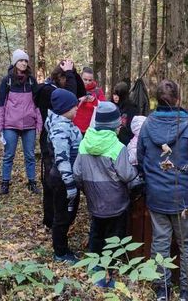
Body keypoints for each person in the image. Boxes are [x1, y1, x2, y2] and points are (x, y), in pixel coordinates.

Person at [137, 79, 188, 301]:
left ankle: (163, 289)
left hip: (159, 194)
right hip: (184, 197)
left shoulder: (149, 125)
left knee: (160, 242)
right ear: (178, 99)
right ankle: (186, 291)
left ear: (156, 100)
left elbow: (141, 159)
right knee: (187, 243)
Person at [73, 101, 138, 286]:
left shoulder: (84, 143)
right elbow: (126, 175)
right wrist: (135, 174)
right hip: (116, 202)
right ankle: (110, 270)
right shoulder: (118, 147)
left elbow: (77, 173)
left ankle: (95, 267)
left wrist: (86, 188)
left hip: (94, 201)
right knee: (114, 235)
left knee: (96, 231)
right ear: (114, 125)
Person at [35, 60, 84, 230]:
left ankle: (56, 221)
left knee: (55, 181)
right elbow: (69, 100)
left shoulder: (56, 91)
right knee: (53, 183)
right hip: (54, 142)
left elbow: (77, 94)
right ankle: (53, 221)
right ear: (60, 77)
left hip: (58, 139)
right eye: (67, 77)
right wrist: (70, 74)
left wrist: (73, 74)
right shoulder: (48, 91)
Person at [0, 49, 41, 195]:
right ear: (15, 62)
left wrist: (39, 124)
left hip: (29, 125)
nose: (23, 63)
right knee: (8, 155)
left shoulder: (32, 81)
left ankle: (32, 182)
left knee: (30, 155)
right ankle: (5, 182)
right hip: (10, 125)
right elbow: (1, 104)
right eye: (21, 60)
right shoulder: (7, 81)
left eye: (26, 61)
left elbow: (38, 103)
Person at [44, 88, 82, 264]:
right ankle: (60, 252)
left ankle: (62, 247)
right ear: (64, 108)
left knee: (68, 214)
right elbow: (62, 159)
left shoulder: (65, 123)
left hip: (66, 179)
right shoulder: (60, 128)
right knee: (62, 216)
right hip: (62, 180)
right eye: (74, 106)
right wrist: (70, 184)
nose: (77, 109)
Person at [72, 67, 106, 134]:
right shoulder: (74, 88)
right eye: (85, 79)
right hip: (74, 127)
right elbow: (67, 105)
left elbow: (103, 107)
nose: (87, 82)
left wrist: (94, 101)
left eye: (90, 80)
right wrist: (79, 100)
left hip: (91, 128)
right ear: (81, 78)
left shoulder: (98, 91)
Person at [111, 81, 139, 145]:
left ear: (123, 95)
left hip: (126, 142)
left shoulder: (132, 108)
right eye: (114, 94)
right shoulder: (111, 106)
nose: (115, 97)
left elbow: (132, 129)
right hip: (112, 141)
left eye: (118, 95)